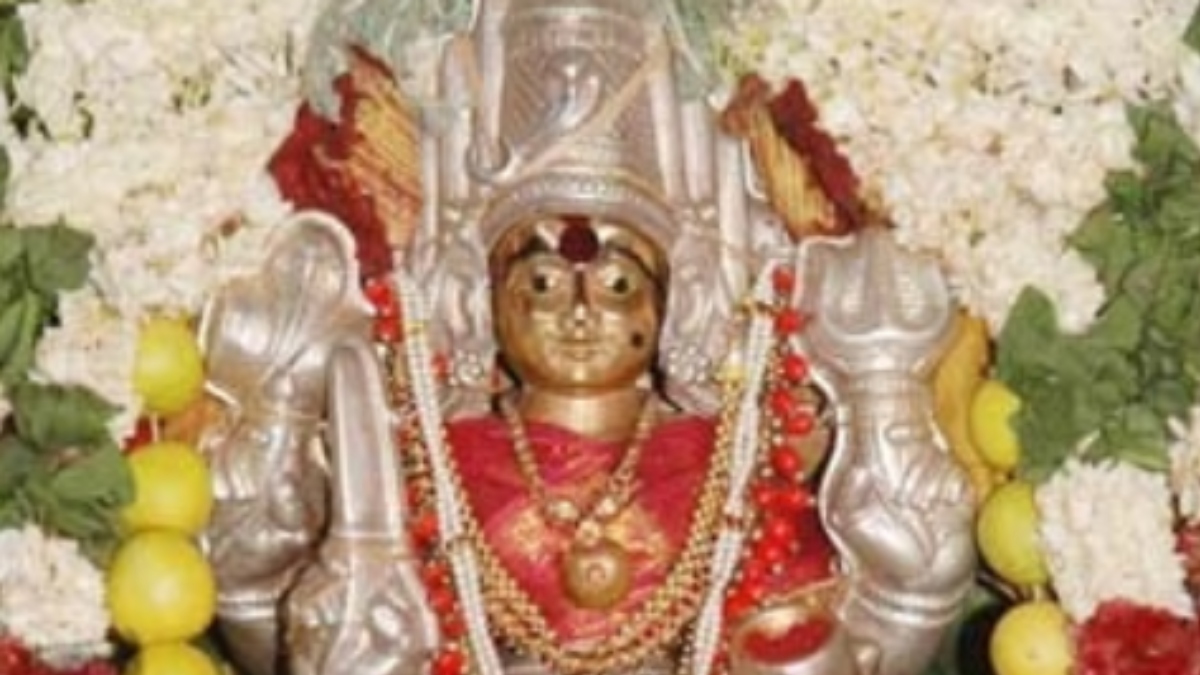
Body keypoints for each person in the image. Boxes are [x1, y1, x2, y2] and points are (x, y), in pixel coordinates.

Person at [198, 2, 975, 674]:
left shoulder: (727, 471)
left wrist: (884, 396)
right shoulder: (433, 466)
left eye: (618, 285)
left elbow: (864, 624)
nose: (578, 310)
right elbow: (281, 624)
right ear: (482, 298)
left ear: (672, 299)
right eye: (539, 283)